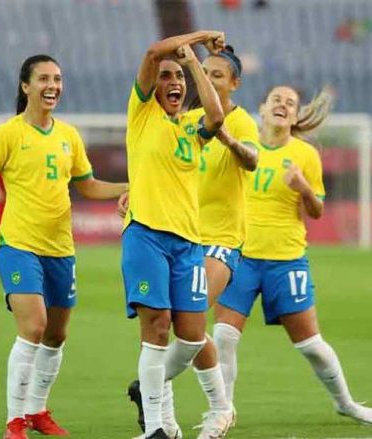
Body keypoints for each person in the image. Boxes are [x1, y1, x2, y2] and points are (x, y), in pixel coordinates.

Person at [0, 54, 128, 439]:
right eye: (43, 79)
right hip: (18, 244)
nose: (52, 85)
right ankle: (14, 423)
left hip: (60, 248)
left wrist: (128, 187)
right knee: (34, 326)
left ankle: (37, 411)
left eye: (57, 78)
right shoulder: (8, 133)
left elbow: (87, 185)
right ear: (26, 86)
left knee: (56, 335)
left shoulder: (69, 135)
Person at [213, 85, 372, 427]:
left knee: (310, 345)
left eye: (290, 103)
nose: (282, 105)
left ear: (294, 117)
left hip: (286, 260)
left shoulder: (305, 155)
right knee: (223, 337)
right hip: (240, 257)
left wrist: (303, 187)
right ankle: (224, 411)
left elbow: (317, 210)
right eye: (276, 99)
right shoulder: (242, 144)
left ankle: (345, 402)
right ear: (262, 108)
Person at [126, 45, 260, 435]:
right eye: (205, 72)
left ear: (233, 82)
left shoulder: (240, 121)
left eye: (217, 74)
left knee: (193, 324)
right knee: (164, 325)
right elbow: (162, 167)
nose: (210, 80)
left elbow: (251, 159)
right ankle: (162, 422)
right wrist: (133, 190)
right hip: (184, 234)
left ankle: (219, 407)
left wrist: (230, 142)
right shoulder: (184, 121)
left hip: (222, 236)